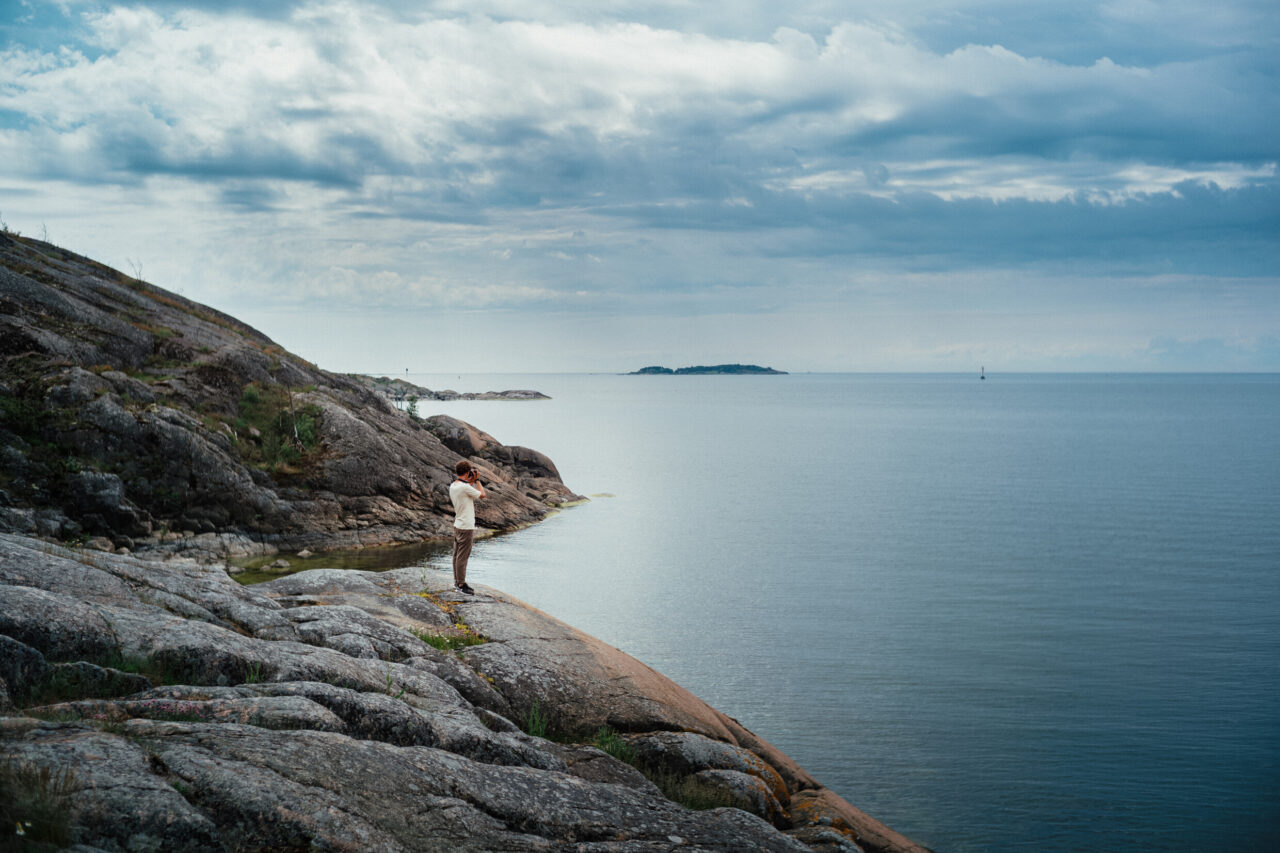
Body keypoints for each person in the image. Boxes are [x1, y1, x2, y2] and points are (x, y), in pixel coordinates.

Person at [448, 459, 487, 594]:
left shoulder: (454, 485)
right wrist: (477, 481)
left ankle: (456, 581)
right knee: (463, 556)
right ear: (467, 472)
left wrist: (470, 481)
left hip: (458, 524)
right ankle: (461, 584)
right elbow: (482, 495)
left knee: (456, 555)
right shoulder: (464, 487)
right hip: (466, 526)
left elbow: (466, 488)